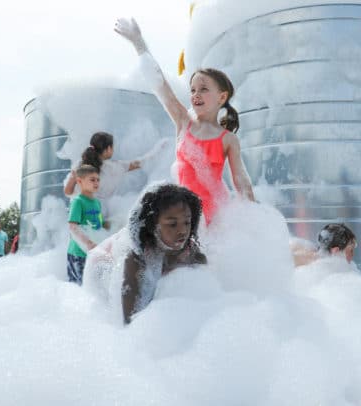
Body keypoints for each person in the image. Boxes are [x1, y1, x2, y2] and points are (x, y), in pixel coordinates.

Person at [115, 17, 255, 224]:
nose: (196, 94)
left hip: (213, 218)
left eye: (204, 89)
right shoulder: (184, 122)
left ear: (222, 97)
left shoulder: (228, 140)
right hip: (181, 215)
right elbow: (161, 87)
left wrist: (254, 216)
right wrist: (139, 44)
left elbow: (240, 180)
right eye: (193, 90)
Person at [85, 184, 207, 324]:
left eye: (187, 222)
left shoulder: (189, 251)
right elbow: (128, 319)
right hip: (102, 266)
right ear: (152, 225)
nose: (183, 230)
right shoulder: (135, 259)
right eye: (172, 224)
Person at [64, 131, 168, 222]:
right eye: (113, 147)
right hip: (100, 215)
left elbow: (68, 191)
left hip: (80, 214)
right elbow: (139, 163)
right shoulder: (113, 167)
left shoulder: (79, 165)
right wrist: (158, 149)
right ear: (108, 149)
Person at [67, 165, 104, 285]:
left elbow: (98, 226)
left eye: (98, 179)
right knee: (80, 289)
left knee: (93, 287)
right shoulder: (78, 202)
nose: (96, 182)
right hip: (78, 253)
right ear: (80, 181)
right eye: (92, 179)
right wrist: (87, 243)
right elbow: (72, 226)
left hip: (93, 253)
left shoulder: (97, 203)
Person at [291, 223, 357, 267]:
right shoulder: (314, 263)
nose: (353, 254)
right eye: (351, 250)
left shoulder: (323, 263)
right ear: (335, 251)